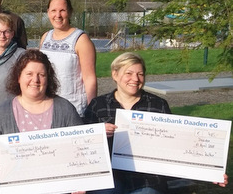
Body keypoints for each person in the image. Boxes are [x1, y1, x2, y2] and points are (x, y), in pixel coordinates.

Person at [83, 52, 229, 193]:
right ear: (115, 74)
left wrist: (211, 171)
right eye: (129, 73)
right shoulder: (98, 105)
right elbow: (82, 145)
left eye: (140, 74)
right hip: (110, 178)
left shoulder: (158, 105)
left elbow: (178, 144)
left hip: (147, 180)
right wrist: (98, 133)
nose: (135, 78)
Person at [0, 49, 83, 186]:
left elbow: (81, 148)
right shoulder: (3, 111)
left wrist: (81, 182)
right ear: (18, 77)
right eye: (29, 74)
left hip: (57, 187)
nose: (35, 80)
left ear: (48, 78)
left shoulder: (65, 109)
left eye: (41, 75)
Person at [40, 0, 97, 117]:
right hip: (48, 108)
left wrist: (92, 110)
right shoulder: (45, 37)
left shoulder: (81, 39)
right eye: (53, 10)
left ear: (70, 12)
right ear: (48, 12)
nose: (58, 15)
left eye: (62, 10)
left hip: (73, 110)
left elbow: (90, 78)